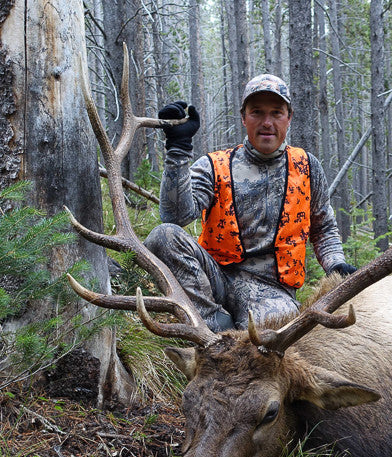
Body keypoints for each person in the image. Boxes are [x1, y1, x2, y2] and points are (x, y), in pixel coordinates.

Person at [145, 74, 356, 332]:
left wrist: (336, 264)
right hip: (215, 278)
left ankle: (218, 330)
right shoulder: (214, 165)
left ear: (289, 117)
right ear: (244, 117)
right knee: (163, 236)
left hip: (272, 291)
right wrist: (177, 149)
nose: (267, 123)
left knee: (265, 340)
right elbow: (174, 218)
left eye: (276, 113)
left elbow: (323, 228)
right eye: (257, 112)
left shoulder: (307, 167)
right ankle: (212, 321)